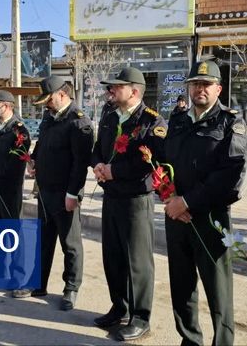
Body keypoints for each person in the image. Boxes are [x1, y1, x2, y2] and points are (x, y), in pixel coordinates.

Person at [164, 60, 247, 346]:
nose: (200, 89)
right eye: (195, 84)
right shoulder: (177, 120)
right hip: (175, 216)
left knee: (218, 290)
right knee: (182, 284)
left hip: (209, 217)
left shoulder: (230, 123)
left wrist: (187, 202)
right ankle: (190, 339)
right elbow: (164, 164)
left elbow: (231, 177)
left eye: (206, 84)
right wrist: (167, 195)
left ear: (218, 89)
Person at [91, 67, 167, 341]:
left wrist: (115, 172)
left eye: (116, 87)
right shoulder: (110, 116)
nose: (110, 91)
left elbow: (151, 161)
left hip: (135, 199)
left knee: (137, 261)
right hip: (111, 196)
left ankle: (140, 317)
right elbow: (98, 148)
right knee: (113, 256)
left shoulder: (152, 122)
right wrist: (98, 165)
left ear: (134, 91)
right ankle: (119, 307)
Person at [12, 76, 94, 312]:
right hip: (45, 190)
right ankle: (38, 283)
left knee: (70, 244)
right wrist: (34, 160)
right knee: (43, 240)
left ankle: (71, 288)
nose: (46, 105)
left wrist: (73, 193)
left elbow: (80, 163)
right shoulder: (50, 117)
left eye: (49, 100)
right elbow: (42, 143)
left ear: (62, 94)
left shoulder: (79, 122)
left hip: (65, 193)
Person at [0, 90, 31, 283]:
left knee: (12, 232)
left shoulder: (19, 130)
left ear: (7, 106)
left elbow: (18, 162)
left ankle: (18, 275)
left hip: (9, 188)